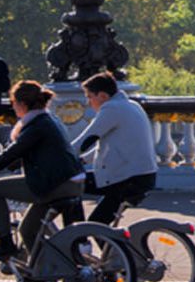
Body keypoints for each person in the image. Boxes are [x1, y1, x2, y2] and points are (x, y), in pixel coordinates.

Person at [0, 81, 84, 262]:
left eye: (13, 102)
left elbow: (11, 153)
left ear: (22, 104)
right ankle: (43, 276)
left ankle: (6, 244)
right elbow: (19, 155)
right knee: (27, 230)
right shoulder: (47, 120)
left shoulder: (36, 126)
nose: (12, 106)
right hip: (66, 183)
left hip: (54, 184)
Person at [62, 73, 159, 225]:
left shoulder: (111, 108)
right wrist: (82, 159)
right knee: (99, 223)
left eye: (89, 97)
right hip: (142, 176)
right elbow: (107, 144)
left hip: (126, 178)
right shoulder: (131, 105)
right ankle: (111, 247)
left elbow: (87, 139)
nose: (88, 103)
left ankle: (78, 240)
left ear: (102, 96)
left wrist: (59, 157)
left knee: (69, 185)